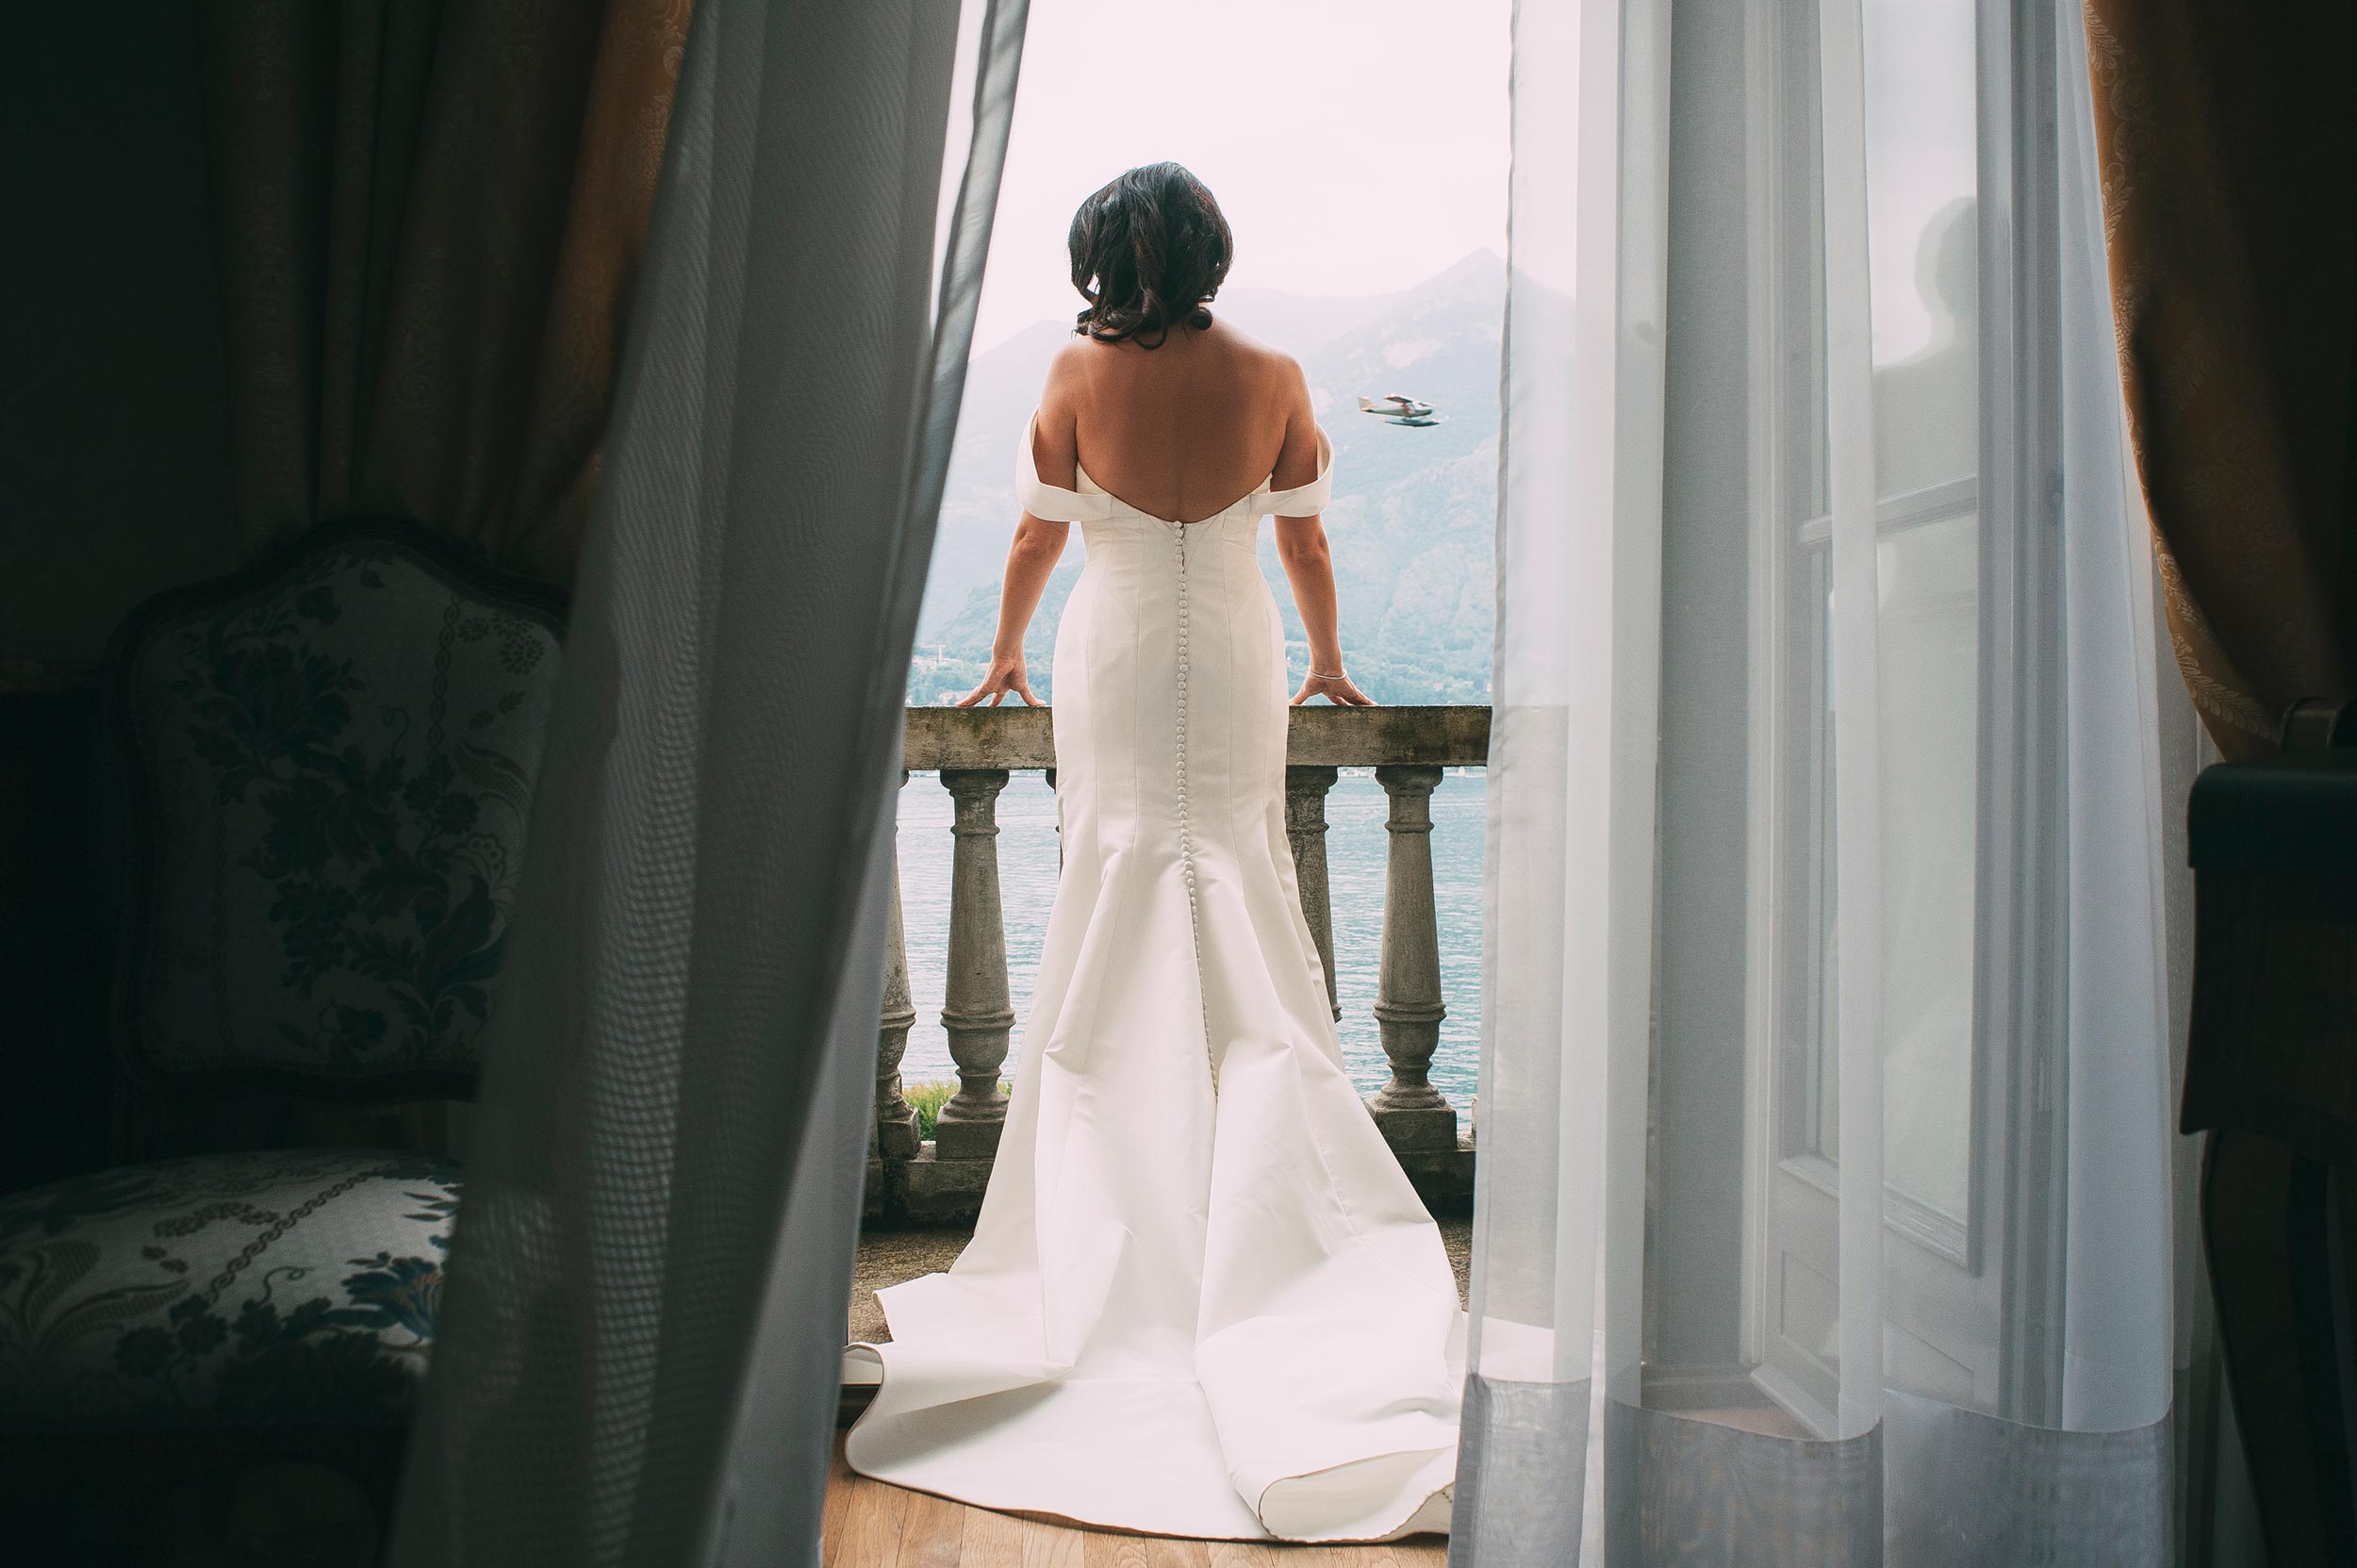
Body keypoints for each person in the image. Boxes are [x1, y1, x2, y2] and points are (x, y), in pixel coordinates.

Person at [844, 162, 1462, 1543]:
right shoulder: (1277, 373)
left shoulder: (1075, 373)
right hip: (1236, 652)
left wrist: (1007, 648)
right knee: (1236, 879)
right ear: (1211, 253)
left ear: (1099, 259)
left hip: (1116, 650)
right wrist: (1328, 659)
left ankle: (1121, 1213)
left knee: (1119, 881)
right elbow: (1304, 543)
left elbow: (1033, 532)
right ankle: (1263, 1215)